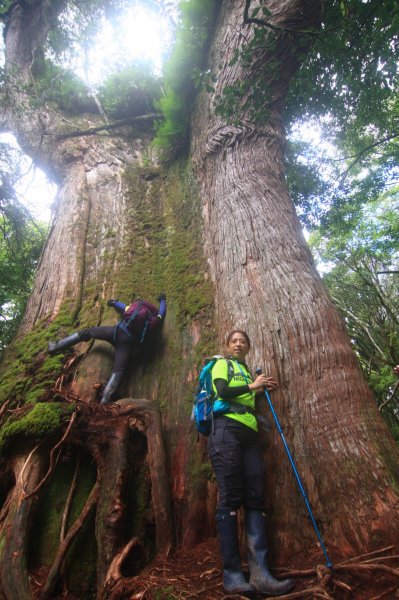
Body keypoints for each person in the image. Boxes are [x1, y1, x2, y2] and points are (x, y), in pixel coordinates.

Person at [208, 329, 293, 597]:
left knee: (256, 496)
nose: (238, 344)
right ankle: (232, 573)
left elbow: (248, 396)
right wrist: (253, 386)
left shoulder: (246, 372)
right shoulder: (221, 363)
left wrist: (260, 387)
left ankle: (261, 573)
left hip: (249, 436)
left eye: (243, 341)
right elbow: (222, 391)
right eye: (234, 341)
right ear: (227, 344)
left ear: (248, 347)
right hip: (225, 431)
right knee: (231, 495)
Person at [48, 294, 166, 404]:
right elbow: (161, 313)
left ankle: (57, 346)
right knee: (119, 370)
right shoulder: (153, 322)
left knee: (88, 332)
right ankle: (105, 398)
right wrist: (162, 301)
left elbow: (123, 307)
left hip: (114, 332)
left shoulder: (135, 307)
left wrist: (114, 302)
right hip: (126, 345)